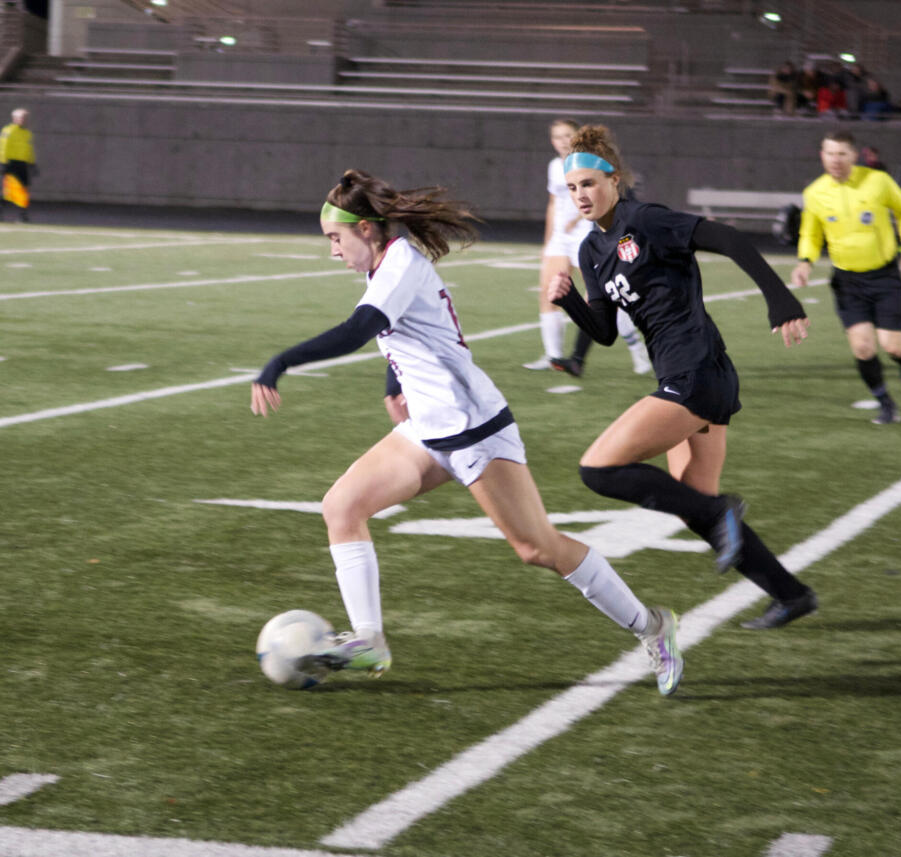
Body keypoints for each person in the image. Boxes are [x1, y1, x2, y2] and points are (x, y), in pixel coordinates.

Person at [249, 169, 684, 695]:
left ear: (365, 230)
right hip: (428, 430)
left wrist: (280, 362)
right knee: (341, 507)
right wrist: (396, 378)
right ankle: (370, 642)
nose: (332, 251)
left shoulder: (400, 261)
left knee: (538, 548)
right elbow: (420, 330)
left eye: (334, 239)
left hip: (475, 430)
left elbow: (360, 329)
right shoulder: (385, 265)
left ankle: (652, 627)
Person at [546, 125, 819, 631]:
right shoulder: (591, 251)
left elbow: (730, 238)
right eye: (571, 188)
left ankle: (724, 514)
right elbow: (604, 331)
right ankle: (791, 593)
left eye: (588, 183)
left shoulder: (645, 220)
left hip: (695, 372)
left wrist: (781, 299)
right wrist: (568, 301)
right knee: (696, 504)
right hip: (693, 375)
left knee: (599, 470)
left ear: (614, 179)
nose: (580, 195)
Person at [790, 130, 901, 426]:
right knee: (863, 348)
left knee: (892, 346)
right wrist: (805, 262)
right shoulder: (815, 193)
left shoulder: (878, 181)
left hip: (884, 276)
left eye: (842, 153)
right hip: (847, 281)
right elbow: (810, 233)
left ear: (854, 155)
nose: (835, 160)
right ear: (822, 156)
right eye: (830, 153)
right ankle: (886, 404)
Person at [522, 119, 650, 377]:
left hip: (585, 234)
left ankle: (639, 351)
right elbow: (553, 203)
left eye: (567, 135)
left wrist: (577, 218)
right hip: (561, 238)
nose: (562, 141)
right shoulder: (554, 166)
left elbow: (602, 196)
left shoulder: (589, 161)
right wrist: (549, 240)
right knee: (549, 293)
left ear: (577, 136)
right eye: (557, 137)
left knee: (606, 296)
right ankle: (553, 356)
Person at [0, 108, 36, 223]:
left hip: (22, 165)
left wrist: (32, 163)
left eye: (25, 118)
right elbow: (3, 148)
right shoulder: (8, 131)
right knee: (9, 192)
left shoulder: (27, 133)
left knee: (24, 191)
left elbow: (29, 149)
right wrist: (3, 163)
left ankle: (22, 216)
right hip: (10, 164)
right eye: (22, 118)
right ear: (15, 119)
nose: (24, 120)